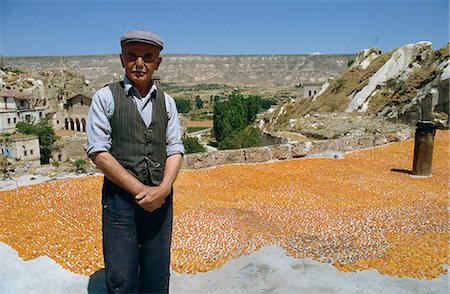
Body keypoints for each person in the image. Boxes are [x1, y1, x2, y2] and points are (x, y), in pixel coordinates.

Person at [86, 29, 185, 293]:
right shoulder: (105, 98)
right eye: (132, 56)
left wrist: (163, 190)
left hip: (161, 198)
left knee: (157, 270)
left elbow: (175, 149)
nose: (139, 63)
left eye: (147, 57)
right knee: (121, 274)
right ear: (122, 59)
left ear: (157, 62)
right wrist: (140, 191)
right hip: (120, 201)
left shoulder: (167, 103)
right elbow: (98, 152)